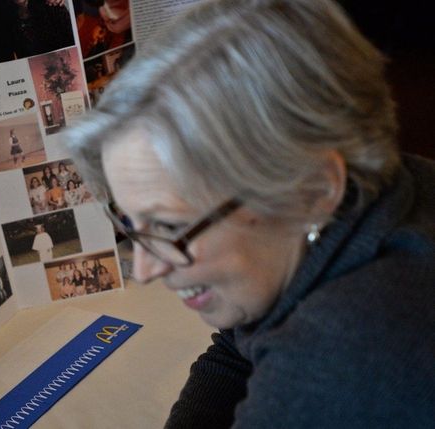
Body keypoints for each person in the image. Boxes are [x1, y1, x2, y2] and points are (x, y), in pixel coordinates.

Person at [64, 0, 435, 427]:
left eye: (169, 226)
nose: (143, 270)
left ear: (314, 188)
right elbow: (237, 346)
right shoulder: (394, 187)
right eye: (130, 222)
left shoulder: (343, 359)